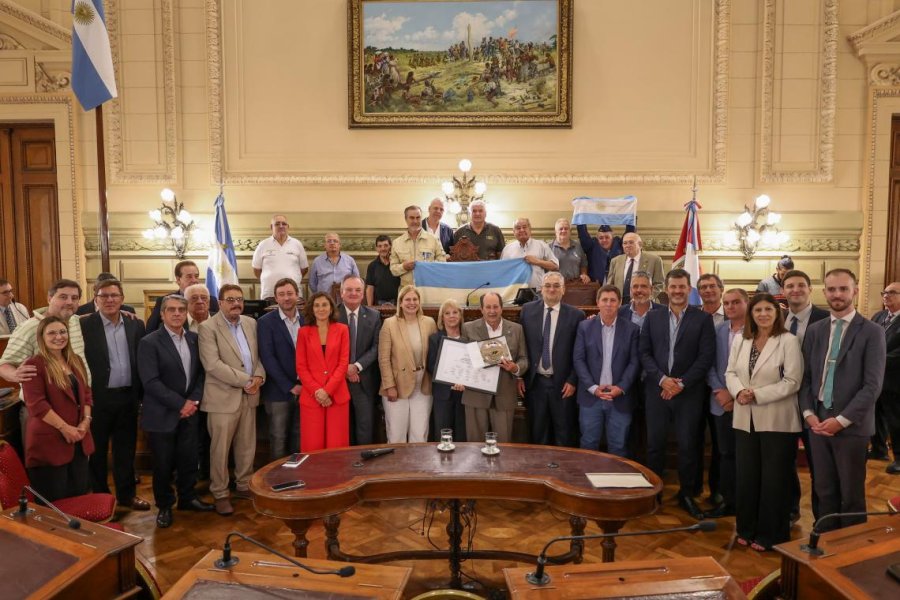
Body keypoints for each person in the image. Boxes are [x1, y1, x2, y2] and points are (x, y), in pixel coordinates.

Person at [800, 269, 886, 532]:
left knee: (851, 496)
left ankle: (850, 553)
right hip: (817, 423)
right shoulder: (815, 331)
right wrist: (808, 414)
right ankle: (824, 546)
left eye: (843, 289)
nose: (837, 294)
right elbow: (806, 379)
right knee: (824, 490)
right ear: (824, 292)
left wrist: (841, 420)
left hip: (852, 426)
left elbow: (872, 387)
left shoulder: (872, 331)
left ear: (855, 291)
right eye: (832, 289)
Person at [725, 293, 802, 550]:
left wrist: (757, 394)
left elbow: (792, 381)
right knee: (747, 477)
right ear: (751, 314)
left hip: (777, 419)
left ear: (777, 312)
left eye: (768, 309)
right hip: (745, 417)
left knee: (774, 480)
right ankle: (746, 529)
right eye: (758, 310)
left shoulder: (788, 341)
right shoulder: (741, 339)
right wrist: (738, 392)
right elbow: (731, 372)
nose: (763, 314)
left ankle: (771, 536)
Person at [640, 269, 716, 520]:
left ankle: (687, 494)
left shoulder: (702, 318)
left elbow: (706, 357)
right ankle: (654, 493)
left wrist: (680, 384)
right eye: (673, 287)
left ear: (689, 288)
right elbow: (644, 353)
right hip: (657, 391)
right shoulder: (652, 317)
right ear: (667, 289)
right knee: (654, 446)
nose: (677, 291)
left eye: (682, 287)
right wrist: (663, 380)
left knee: (688, 446)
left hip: (688, 393)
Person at [139, 295, 213, 528]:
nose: (177, 314)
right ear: (162, 314)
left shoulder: (194, 338)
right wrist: (180, 404)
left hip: (190, 413)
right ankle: (164, 506)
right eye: (171, 310)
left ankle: (188, 498)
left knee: (189, 459)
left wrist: (193, 400)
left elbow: (201, 374)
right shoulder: (149, 342)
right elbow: (150, 382)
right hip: (162, 414)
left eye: (181, 309)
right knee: (163, 465)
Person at [80, 279, 149, 510]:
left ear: (122, 298)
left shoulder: (135, 325)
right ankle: (101, 498)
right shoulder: (83, 325)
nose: (109, 299)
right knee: (97, 452)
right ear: (95, 300)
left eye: (114, 295)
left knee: (126, 450)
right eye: (103, 296)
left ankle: (127, 496)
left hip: (128, 397)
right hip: (98, 399)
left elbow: (142, 360)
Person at [198, 284, 265, 516]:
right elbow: (212, 365)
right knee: (220, 449)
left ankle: (244, 485)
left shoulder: (251, 323)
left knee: (247, 445)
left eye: (239, 299)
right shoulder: (208, 327)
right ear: (220, 302)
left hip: (251, 395)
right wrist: (247, 380)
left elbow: (257, 356)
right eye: (230, 299)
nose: (236, 303)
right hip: (222, 398)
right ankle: (220, 493)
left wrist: (259, 376)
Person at [21, 317, 94, 503]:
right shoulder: (34, 364)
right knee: (54, 504)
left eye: (62, 332)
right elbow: (37, 405)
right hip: (50, 442)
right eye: (52, 333)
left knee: (78, 497)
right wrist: (65, 428)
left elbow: (86, 393)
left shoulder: (75, 360)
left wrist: (86, 421)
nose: (58, 337)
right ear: (41, 337)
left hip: (78, 439)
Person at [782, 268, 829, 520]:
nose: (795, 290)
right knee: (786, 462)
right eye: (790, 286)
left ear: (810, 289)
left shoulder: (826, 319)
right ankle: (790, 510)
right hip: (784, 403)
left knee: (818, 464)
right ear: (783, 291)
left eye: (801, 285)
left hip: (814, 404)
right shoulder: (778, 320)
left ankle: (822, 516)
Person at [573, 285, 640, 457]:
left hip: (620, 397)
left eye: (612, 300)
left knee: (618, 446)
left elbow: (634, 362)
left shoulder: (632, 329)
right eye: (605, 300)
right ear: (597, 302)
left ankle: (616, 484)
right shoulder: (584, 327)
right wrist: (593, 388)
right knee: (588, 444)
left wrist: (621, 387)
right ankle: (586, 483)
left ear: (619, 303)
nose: (608, 304)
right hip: (591, 397)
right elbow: (578, 360)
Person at [519, 272, 585, 446]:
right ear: (541, 289)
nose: (552, 289)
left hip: (563, 385)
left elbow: (579, 353)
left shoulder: (576, 315)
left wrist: (573, 380)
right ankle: (539, 471)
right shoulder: (527, 311)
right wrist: (519, 376)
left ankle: (562, 472)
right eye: (548, 285)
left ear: (563, 290)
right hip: (535, 384)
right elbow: (521, 346)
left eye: (556, 286)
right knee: (537, 433)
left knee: (563, 434)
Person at [705, 288, 749, 519]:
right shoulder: (719, 330)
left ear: (746, 303)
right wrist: (719, 391)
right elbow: (710, 364)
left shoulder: (757, 331)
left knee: (746, 455)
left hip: (747, 403)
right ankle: (727, 501)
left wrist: (737, 395)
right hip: (720, 402)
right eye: (727, 303)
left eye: (736, 302)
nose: (731, 307)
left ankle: (746, 502)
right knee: (725, 453)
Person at [462, 292, 528, 443]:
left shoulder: (517, 329)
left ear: (501, 308)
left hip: (504, 394)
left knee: (504, 444)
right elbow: (462, 359)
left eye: (495, 307)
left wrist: (515, 368)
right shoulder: (468, 328)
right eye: (488, 307)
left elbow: (524, 358)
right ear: (481, 309)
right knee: (474, 445)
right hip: (476, 395)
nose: (492, 311)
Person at [0, 279, 90, 386]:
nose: (70, 302)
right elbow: (4, 365)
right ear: (49, 299)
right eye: (63, 297)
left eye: (74, 298)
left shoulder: (75, 321)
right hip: (44, 400)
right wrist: (15, 374)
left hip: (81, 397)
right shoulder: (29, 328)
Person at [378, 285, 437, 443]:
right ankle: (397, 468)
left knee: (419, 434)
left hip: (423, 384)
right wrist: (389, 386)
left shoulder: (430, 323)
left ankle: (416, 468)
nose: (412, 303)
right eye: (407, 299)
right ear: (401, 302)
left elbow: (435, 355)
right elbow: (383, 359)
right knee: (397, 435)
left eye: (415, 299)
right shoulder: (389, 324)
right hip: (397, 385)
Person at [296, 292, 350, 451]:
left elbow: (343, 363)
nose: (321, 309)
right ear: (311, 309)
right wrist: (318, 391)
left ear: (331, 308)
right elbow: (301, 366)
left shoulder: (342, 330)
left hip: (337, 395)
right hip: (312, 397)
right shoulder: (303, 332)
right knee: (313, 446)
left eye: (325, 305)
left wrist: (327, 391)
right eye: (317, 305)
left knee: (337, 445)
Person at [257, 278, 303, 459]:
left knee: (299, 436)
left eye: (290, 293)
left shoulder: (308, 318)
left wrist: (305, 384)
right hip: (278, 390)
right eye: (282, 294)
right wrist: (290, 386)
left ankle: (298, 478)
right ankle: (277, 480)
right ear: (276, 298)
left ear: (297, 295)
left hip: (306, 388)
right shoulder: (265, 322)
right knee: (278, 437)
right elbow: (268, 359)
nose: (286, 298)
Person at [337, 275, 382, 446]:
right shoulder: (332, 314)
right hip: (338, 381)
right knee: (342, 428)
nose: (353, 293)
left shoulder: (374, 316)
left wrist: (356, 366)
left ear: (363, 294)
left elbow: (376, 347)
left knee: (365, 428)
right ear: (341, 293)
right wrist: (345, 369)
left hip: (364, 380)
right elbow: (327, 349)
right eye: (349, 290)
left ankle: (363, 468)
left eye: (357, 290)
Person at [426, 299, 467, 442]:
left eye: (455, 312)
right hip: (443, 394)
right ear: (442, 317)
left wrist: (463, 381)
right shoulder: (435, 339)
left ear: (461, 316)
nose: (451, 316)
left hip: (464, 393)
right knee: (443, 434)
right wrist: (451, 380)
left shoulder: (468, 338)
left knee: (462, 433)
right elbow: (431, 366)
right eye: (447, 313)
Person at [871, 282, 900, 474]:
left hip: (895, 379)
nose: (886, 296)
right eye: (884, 292)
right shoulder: (878, 316)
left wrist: (876, 360)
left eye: (892, 293)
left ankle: (899, 458)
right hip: (875, 379)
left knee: (896, 420)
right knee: (875, 415)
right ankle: (879, 450)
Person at [146, 260, 220, 332]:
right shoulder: (165, 301)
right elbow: (151, 330)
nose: (194, 280)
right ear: (178, 280)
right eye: (189, 277)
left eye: (196, 276)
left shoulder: (211, 300)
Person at [251, 214, 309, 302]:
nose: (281, 226)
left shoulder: (297, 244)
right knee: (270, 316)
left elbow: (304, 268)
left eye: (284, 224)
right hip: (269, 294)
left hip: (293, 293)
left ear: (288, 227)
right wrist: (269, 277)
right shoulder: (263, 244)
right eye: (277, 224)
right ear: (271, 227)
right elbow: (256, 270)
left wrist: (293, 277)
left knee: (294, 316)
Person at [390, 206, 447, 288]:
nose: (415, 221)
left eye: (418, 218)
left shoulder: (434, 240)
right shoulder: (397, 243)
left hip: (428, 289)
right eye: (412, 218)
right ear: (406, 219)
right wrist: (403, 267)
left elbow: (443, 263)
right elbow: (393, 269)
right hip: (406, 292)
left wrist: (428, 267)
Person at [500, 218, 559, 291]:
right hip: (514, 293)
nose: (521, 230)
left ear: (530, 229)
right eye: (518, 228)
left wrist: (537, 261)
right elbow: (502, 272)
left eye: (524, 227)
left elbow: (555, 266)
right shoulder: (507, 250)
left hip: (538, 292)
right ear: (514, 232)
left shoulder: (541, 245)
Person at [606, 232, 664, 302]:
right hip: (620, 305)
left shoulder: (654, 260)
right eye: (625, 243)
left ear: (640, 245)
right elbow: (610, 285)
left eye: (631, 242)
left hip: (644, 304)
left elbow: (659, 284)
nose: (627, 245)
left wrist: (646, 298)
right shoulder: (615, 261)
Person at [549, 218, 590, 283]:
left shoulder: (578, 246)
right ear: (555, 232)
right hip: (556, 286)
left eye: (566, 228)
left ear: (570, 231)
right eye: (561, 229)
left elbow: (583, 264)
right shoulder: (549, 247)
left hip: (575, 286)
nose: (563, 231)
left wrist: (584, 274)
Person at [366, 235, 402, 305]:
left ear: (390, 247)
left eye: (386, 245)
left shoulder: (398, 264)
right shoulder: (372, 266)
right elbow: (370, 288)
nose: (383, 249)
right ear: (376, 248)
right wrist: (370, 307)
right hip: (378, 305)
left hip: (397, 304)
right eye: (380, 246)